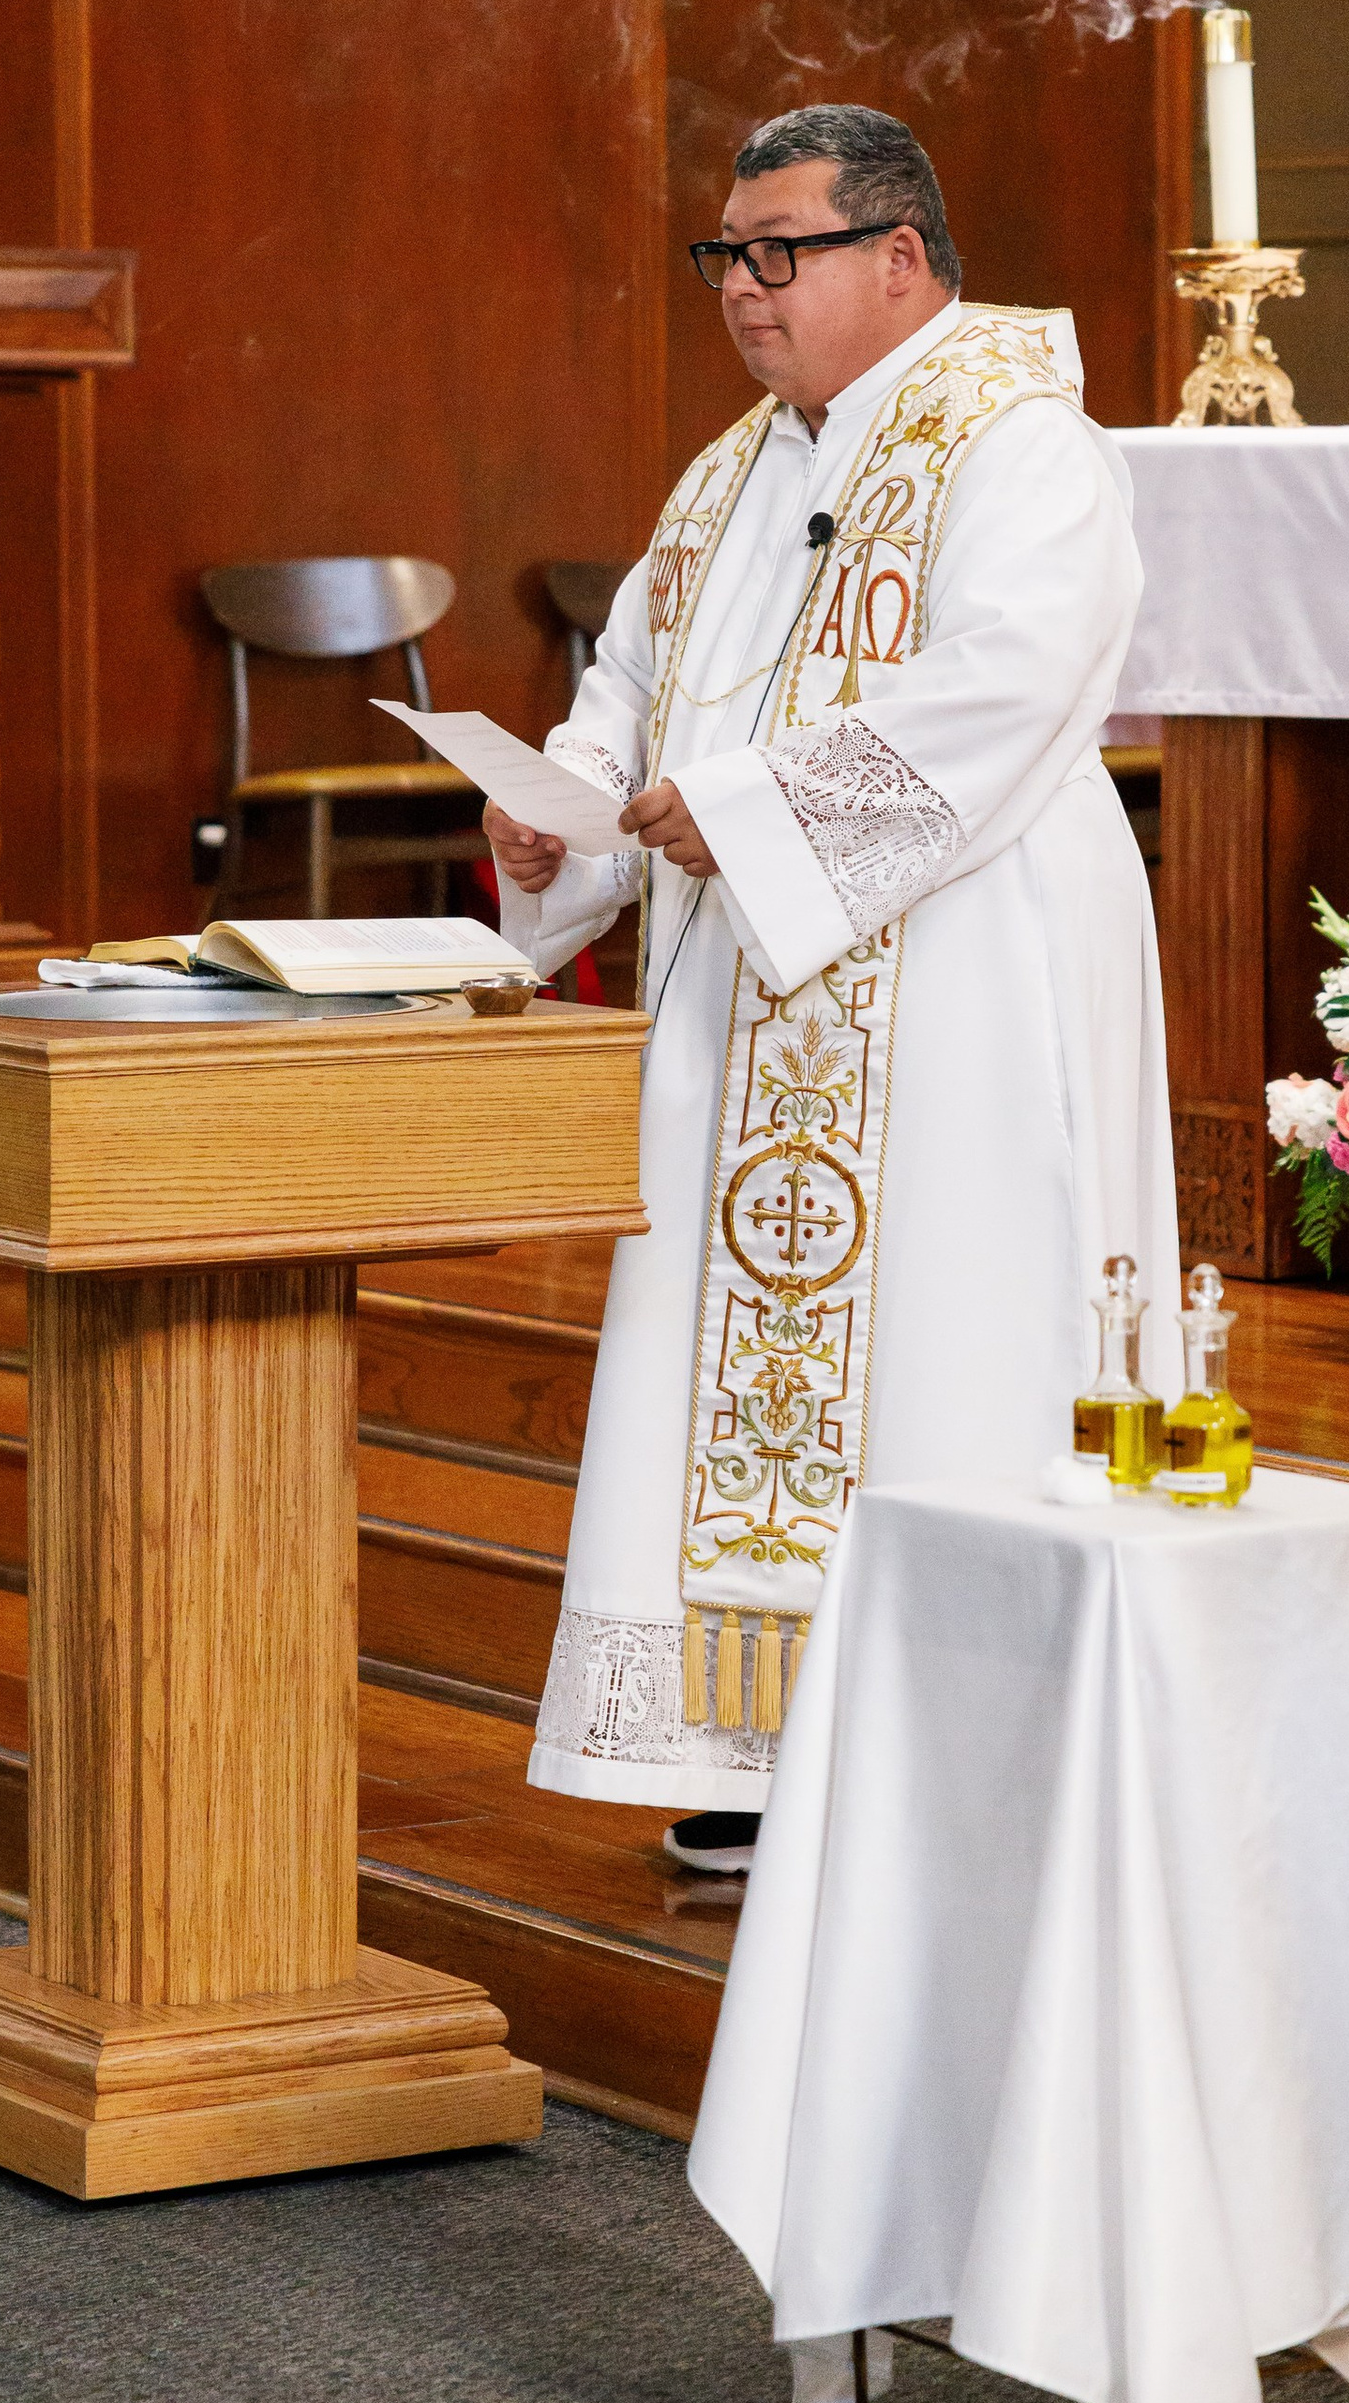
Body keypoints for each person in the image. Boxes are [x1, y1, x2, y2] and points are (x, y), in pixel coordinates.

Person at [491, 103, 1178, 1873]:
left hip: (961, 963)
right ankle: (755, 1742)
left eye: (779, 251)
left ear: (901, 257)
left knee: (958, 1330)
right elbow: (631, 685)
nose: (742, 287)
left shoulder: (1021, 443)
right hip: (753, 990)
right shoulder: (731, 472)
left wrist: (744, 811)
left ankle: (963, 1751)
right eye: (725, 253)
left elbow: (1012, 687)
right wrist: (562, 815)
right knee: (745, 1360)